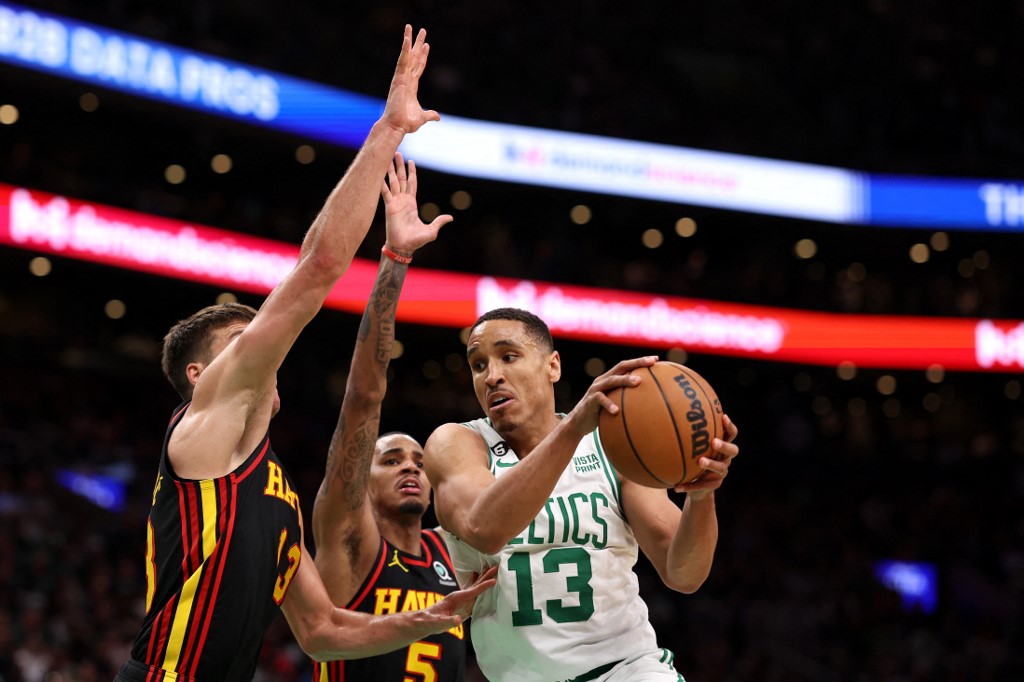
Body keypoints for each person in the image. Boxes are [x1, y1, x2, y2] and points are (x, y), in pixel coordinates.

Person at [115, 27, 495, 682]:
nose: (261, 344)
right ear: (201, 377)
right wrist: (388, 132)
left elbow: (321, 633)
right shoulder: (201, 433)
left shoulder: (280, 497)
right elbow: (320, 267)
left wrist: (430, 618)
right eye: (242, 340)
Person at [423, 308, 740, 682]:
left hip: (627, 669)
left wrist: (701, 496)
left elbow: (683, 573)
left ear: (552, 366)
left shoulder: (612, 448)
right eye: (478, 365)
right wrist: (572, 428)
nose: (492, 376)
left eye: (508, 357)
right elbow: (486, 527)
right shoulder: (457, 444)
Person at [309, 154, 465, 681]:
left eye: (419, 461)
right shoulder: (351, 537)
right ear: (361, 478)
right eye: (391, 459)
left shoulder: (454, 553)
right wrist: (396, 257)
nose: (411, 468)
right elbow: (363, 400)